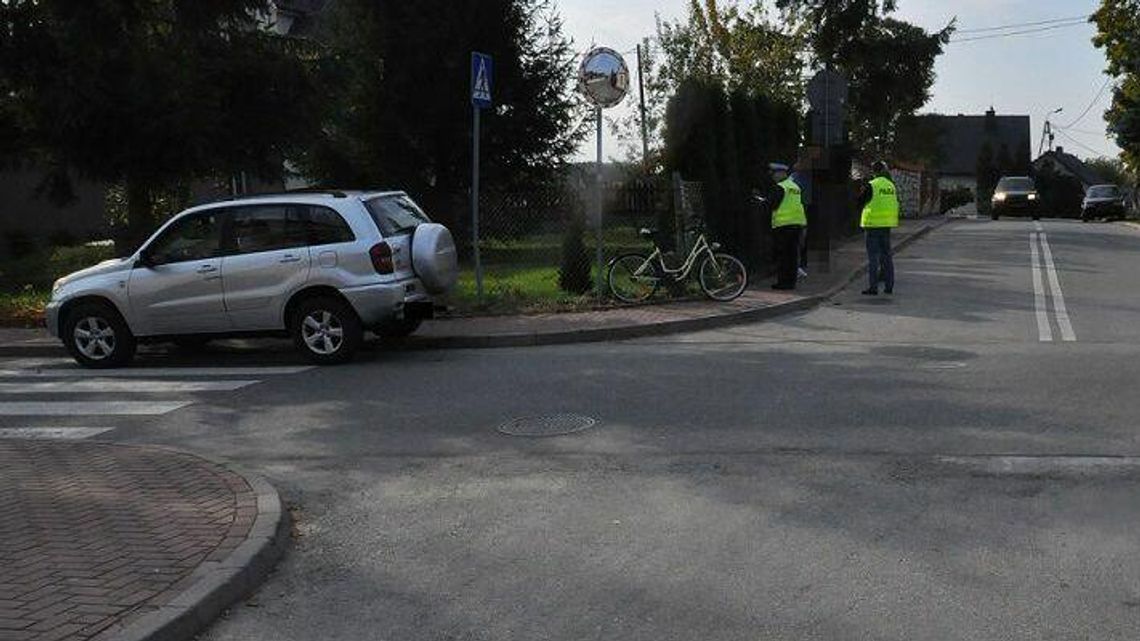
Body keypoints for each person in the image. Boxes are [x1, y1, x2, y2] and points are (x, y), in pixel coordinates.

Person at [857, 161, 900, 296]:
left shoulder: (872, 185)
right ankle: (889, 286)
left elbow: (860, 201)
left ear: (873, 171)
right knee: (887, 256)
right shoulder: (891, 186)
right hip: (887, 225)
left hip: (872, 225)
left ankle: (873, 287)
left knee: (873, 257)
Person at [763, 162, 807, 290]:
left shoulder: (781, 187)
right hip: (797, 224)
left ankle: (783, 283)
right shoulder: (794, 187)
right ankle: (791, 282)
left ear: (781, 174)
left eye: (774, 174)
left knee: (783, 256)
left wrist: (765, 202)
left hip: (784, 225)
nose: (773, 177)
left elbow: (773, 205)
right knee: (792, 256)